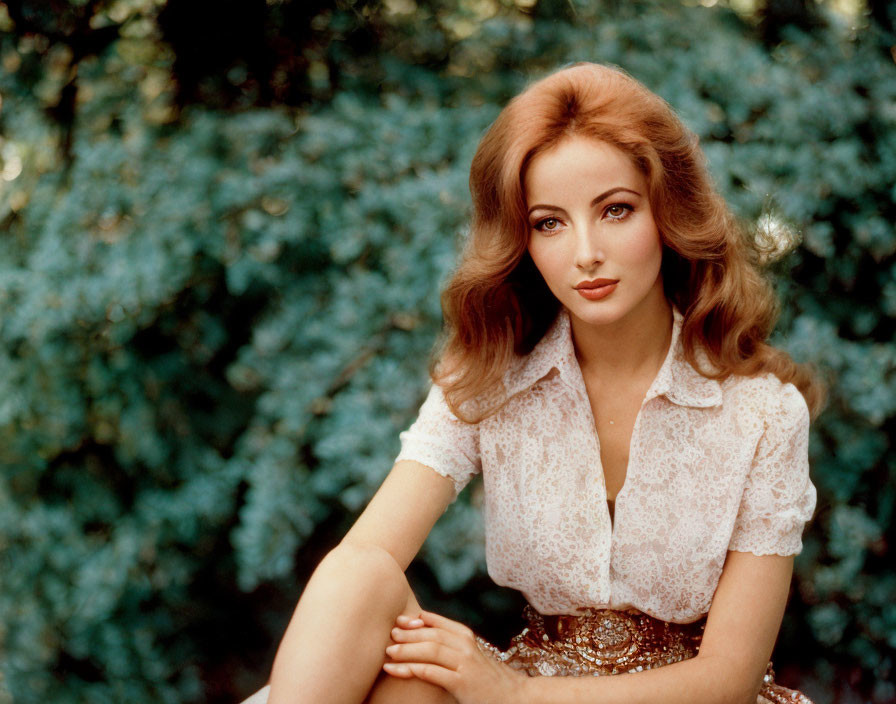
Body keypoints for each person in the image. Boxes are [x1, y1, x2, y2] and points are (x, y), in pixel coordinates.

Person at [253, 62, 823, 704]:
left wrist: (518, 697)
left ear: (667, 212)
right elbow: (364, 566)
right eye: (550, 222)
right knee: (364, 590)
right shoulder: (490, 377)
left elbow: (729, 678)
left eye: (615, 210)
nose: (585, 252)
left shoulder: (763, 413)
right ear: (522, 241)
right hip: (529, 681)